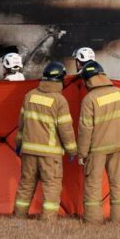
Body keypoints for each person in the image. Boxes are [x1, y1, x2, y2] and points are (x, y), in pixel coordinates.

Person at [13, 62, 76, 221]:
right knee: (51, 186)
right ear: (61, 79)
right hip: (50, 154)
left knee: (26, 185)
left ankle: (19, 217)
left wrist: (19, 144)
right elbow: (65, 129)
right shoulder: (59, 100)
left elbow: (21, 124)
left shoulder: (30, 96)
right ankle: (48, 220)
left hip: (28, 151)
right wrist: (72, 150)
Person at [77, 60, 120, 223]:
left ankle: (93, 221)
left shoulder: (89, 99)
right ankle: (119, 219)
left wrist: (82, 153)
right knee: (118, 184)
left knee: (93, 185)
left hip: (97, 148)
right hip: (119, 146)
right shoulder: (119, 93)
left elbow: (85, 129)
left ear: (87, 80)